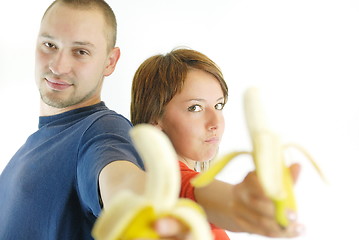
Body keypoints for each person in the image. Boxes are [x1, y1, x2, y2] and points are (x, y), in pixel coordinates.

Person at [0, 1, 192, 239]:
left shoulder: (102, 129)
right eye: (50, 45)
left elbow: (120, 180)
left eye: (80, 51)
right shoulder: (29, 148)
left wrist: (146, 214)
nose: (58, 66)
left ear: (110, 61)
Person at [130, 48, 304, 239]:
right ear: (155, 118)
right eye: (195, 107)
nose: (215, 122)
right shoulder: (163, 185)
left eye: (219, 105)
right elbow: (193, 193)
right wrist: (239, 205)